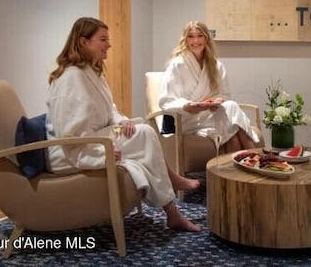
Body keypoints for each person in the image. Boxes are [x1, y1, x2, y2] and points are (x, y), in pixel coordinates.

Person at [46, 17, 200, 232]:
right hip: (71, 151)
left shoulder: (92, 72)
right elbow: (68, 135)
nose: (108, 44)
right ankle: (172, 200)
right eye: (102, 39)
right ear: (83, 42)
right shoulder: (71, 78)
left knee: (142, 130)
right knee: (145, 133)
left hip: (97, 136)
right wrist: (100, 154)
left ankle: (172, 199)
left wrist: (123, 121)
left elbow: (111, 110)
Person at [158, 20, 260, 153]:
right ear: (185, 40)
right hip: (187, 118)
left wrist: (216, 101)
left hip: (210, 114)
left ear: (206, 38)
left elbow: (224, 94)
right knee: (231, 118)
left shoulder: (216, 65)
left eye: (200, 35)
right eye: (191, 36)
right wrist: (189, 106)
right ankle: (256, 159)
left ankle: (238, 167)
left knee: (231, 112)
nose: (195, 40)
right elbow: (166, 101)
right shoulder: (177, 65)